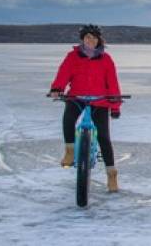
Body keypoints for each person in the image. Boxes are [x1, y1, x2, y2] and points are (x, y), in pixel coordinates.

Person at [49, 24, 123, 192]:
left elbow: (112, 83)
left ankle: (111, 174)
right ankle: (70, 150)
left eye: (94, 38)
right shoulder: (73, 56)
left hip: (100, 100)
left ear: (99, 40)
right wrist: (57, 88)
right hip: (77, 97)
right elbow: (63, 73)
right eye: (88, 37)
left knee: (104, 136)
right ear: (82, 39)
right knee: (68, 119)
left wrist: (115, 106)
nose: (91, 40)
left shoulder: (106, 59)